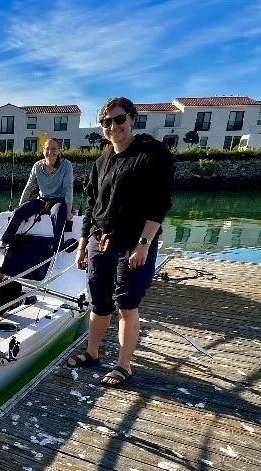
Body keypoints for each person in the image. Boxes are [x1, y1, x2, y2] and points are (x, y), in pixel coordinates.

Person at [69, 97, 174, 387]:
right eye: (106, 122)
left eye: (118, 119)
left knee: (127, 304)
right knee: (99, 303)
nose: (113, 127)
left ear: (131, 118)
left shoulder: (151, 153)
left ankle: (124, 365)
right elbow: (91, 204)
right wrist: (82, 243)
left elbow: (160, 203)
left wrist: (143, 243)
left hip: (132, 243)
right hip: (98, 241)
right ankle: (92, 353)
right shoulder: (102, 161)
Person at [10, 137, 74, 232]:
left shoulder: (66, 165)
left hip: (59, 201)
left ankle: (58, 246)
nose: (50, 151)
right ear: (43, 151)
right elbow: (29, 187)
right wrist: (20, 205)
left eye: (54, 149)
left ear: (59, 151)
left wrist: (69, 212)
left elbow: (68, 188)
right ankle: (6, 241)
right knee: (19, 212)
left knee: (58, 213)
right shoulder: (37, 166)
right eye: (47, 148)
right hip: (42, 200)